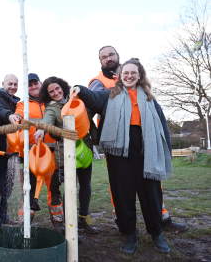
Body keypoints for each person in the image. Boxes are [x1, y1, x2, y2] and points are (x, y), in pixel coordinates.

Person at [75, 58, 172, 254]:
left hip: (147, 149)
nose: (129, 76)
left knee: (151, 194)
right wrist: (79, 88)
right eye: (125, 73)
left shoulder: (150, 98)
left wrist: (166, 150)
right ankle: (129, 235)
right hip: (119, 151)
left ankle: (156, 233)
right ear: (120, 76)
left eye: (133, 73)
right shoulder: (110, 94)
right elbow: (93, 98)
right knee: (122, 194)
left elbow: (162, 126)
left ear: (139, 76)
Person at [91, 45, 188, 233]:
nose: (108, 58)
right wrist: (94, 136)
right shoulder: (98, 82)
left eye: (111, 54)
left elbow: (159, 118)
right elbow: (91, 103)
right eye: (103, 57)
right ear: (100, 61)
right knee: (121, 189)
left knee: (152, 185)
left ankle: (161, 220)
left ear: (118, 56)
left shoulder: (137, 80)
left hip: (145, 141)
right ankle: (124, 225)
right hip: (118, 144)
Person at [34, 76, 98, 234]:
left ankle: (84, 220)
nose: (55, 93)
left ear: (62, 87)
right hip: (67, 154)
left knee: (86, 186)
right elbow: (47, 120)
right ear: (48, 95)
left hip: (85, 150)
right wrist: (41, 129)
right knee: (70, 188)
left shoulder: (76, 99)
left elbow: (91, 111)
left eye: (57, 88)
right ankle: (70, 224)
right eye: (51, 92)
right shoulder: (52, 108)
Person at [12, 73, 61, 225]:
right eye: (30, 84)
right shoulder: (22, 104)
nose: (33, 86)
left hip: (52, 151)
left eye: (35, 83)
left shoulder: (51, 102)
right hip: (31, 153)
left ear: (41, 84)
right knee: (29, 188)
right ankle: (25, 221)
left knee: (54, 187)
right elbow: (18, 115)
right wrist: (16, 118)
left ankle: (58, 219)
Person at [0, 73, 20, 228]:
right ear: (3, 83)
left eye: (15, 84)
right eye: (10, 83)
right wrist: (10, 116)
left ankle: (3, 216)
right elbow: (0, 110)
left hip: (12, 148)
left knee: (6, 185)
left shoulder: (18, 101)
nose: (13, 87)